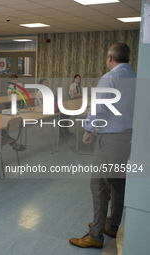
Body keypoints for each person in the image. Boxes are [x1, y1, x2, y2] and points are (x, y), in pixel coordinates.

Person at [69, 43, 137, 248]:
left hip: (110, 140)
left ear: (109, 58)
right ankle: (112, 225)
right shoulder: (136, 77)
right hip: (129, 138)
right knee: (118, 183)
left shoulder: (110, 78)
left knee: (99, 185)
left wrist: (88, 130)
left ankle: (96, 234)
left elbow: (98, 108)